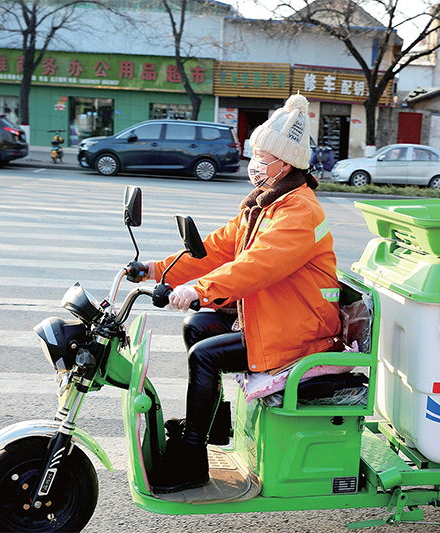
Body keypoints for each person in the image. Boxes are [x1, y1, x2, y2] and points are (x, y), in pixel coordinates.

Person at [125, 93, 342, 493]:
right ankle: (214, 423)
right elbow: (215, 249)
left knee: (204, 355)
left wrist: (199, 289)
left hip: (299, 329)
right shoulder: (263, 205)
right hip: (278, 315)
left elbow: (257, 266)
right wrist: (157, 269)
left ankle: (192, 460)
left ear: (286, 164)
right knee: (196, 327)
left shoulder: (299, 212)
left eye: (262, 157)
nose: (253, 163)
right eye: (254, 154)